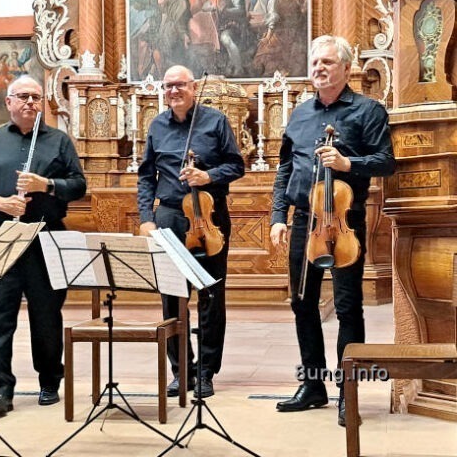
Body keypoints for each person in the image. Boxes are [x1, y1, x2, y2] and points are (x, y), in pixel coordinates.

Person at [269, 35, 395, 426]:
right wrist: (278, 216)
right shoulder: (300, 114)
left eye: (326, 62)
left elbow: (385, 162)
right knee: (302, 305)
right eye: (314, 63)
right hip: (305, 220)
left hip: (344, 220)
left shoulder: (367, 110)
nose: (319, 68)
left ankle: (348, 390)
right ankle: (313, 384)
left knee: (346, 308)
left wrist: (346, 163)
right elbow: (285, 169)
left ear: (345, 67)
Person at [0, 75, 86, 415]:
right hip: (1, 235)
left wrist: (45, 184)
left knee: (46, 314)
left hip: (46, 237)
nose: (31, 102)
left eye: (36, 97)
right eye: (23, 97)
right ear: (9, 103)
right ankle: (0, 387)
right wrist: (0, 203)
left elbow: (78, 185)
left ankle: (49, 380)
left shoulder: (58, 141)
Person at [137, 65, 245, 398]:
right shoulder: (156, 126)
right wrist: (146, 217)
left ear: (193, 87)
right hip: (170, 216)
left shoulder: (215, 121)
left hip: (209, 215)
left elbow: (236, 165)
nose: (173, 91)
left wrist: (208, 176)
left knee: (211, 296)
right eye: (168, 86)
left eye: (180, 85)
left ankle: (207, 372)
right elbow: (145, 177)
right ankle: (181, 370)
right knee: (173, 297)